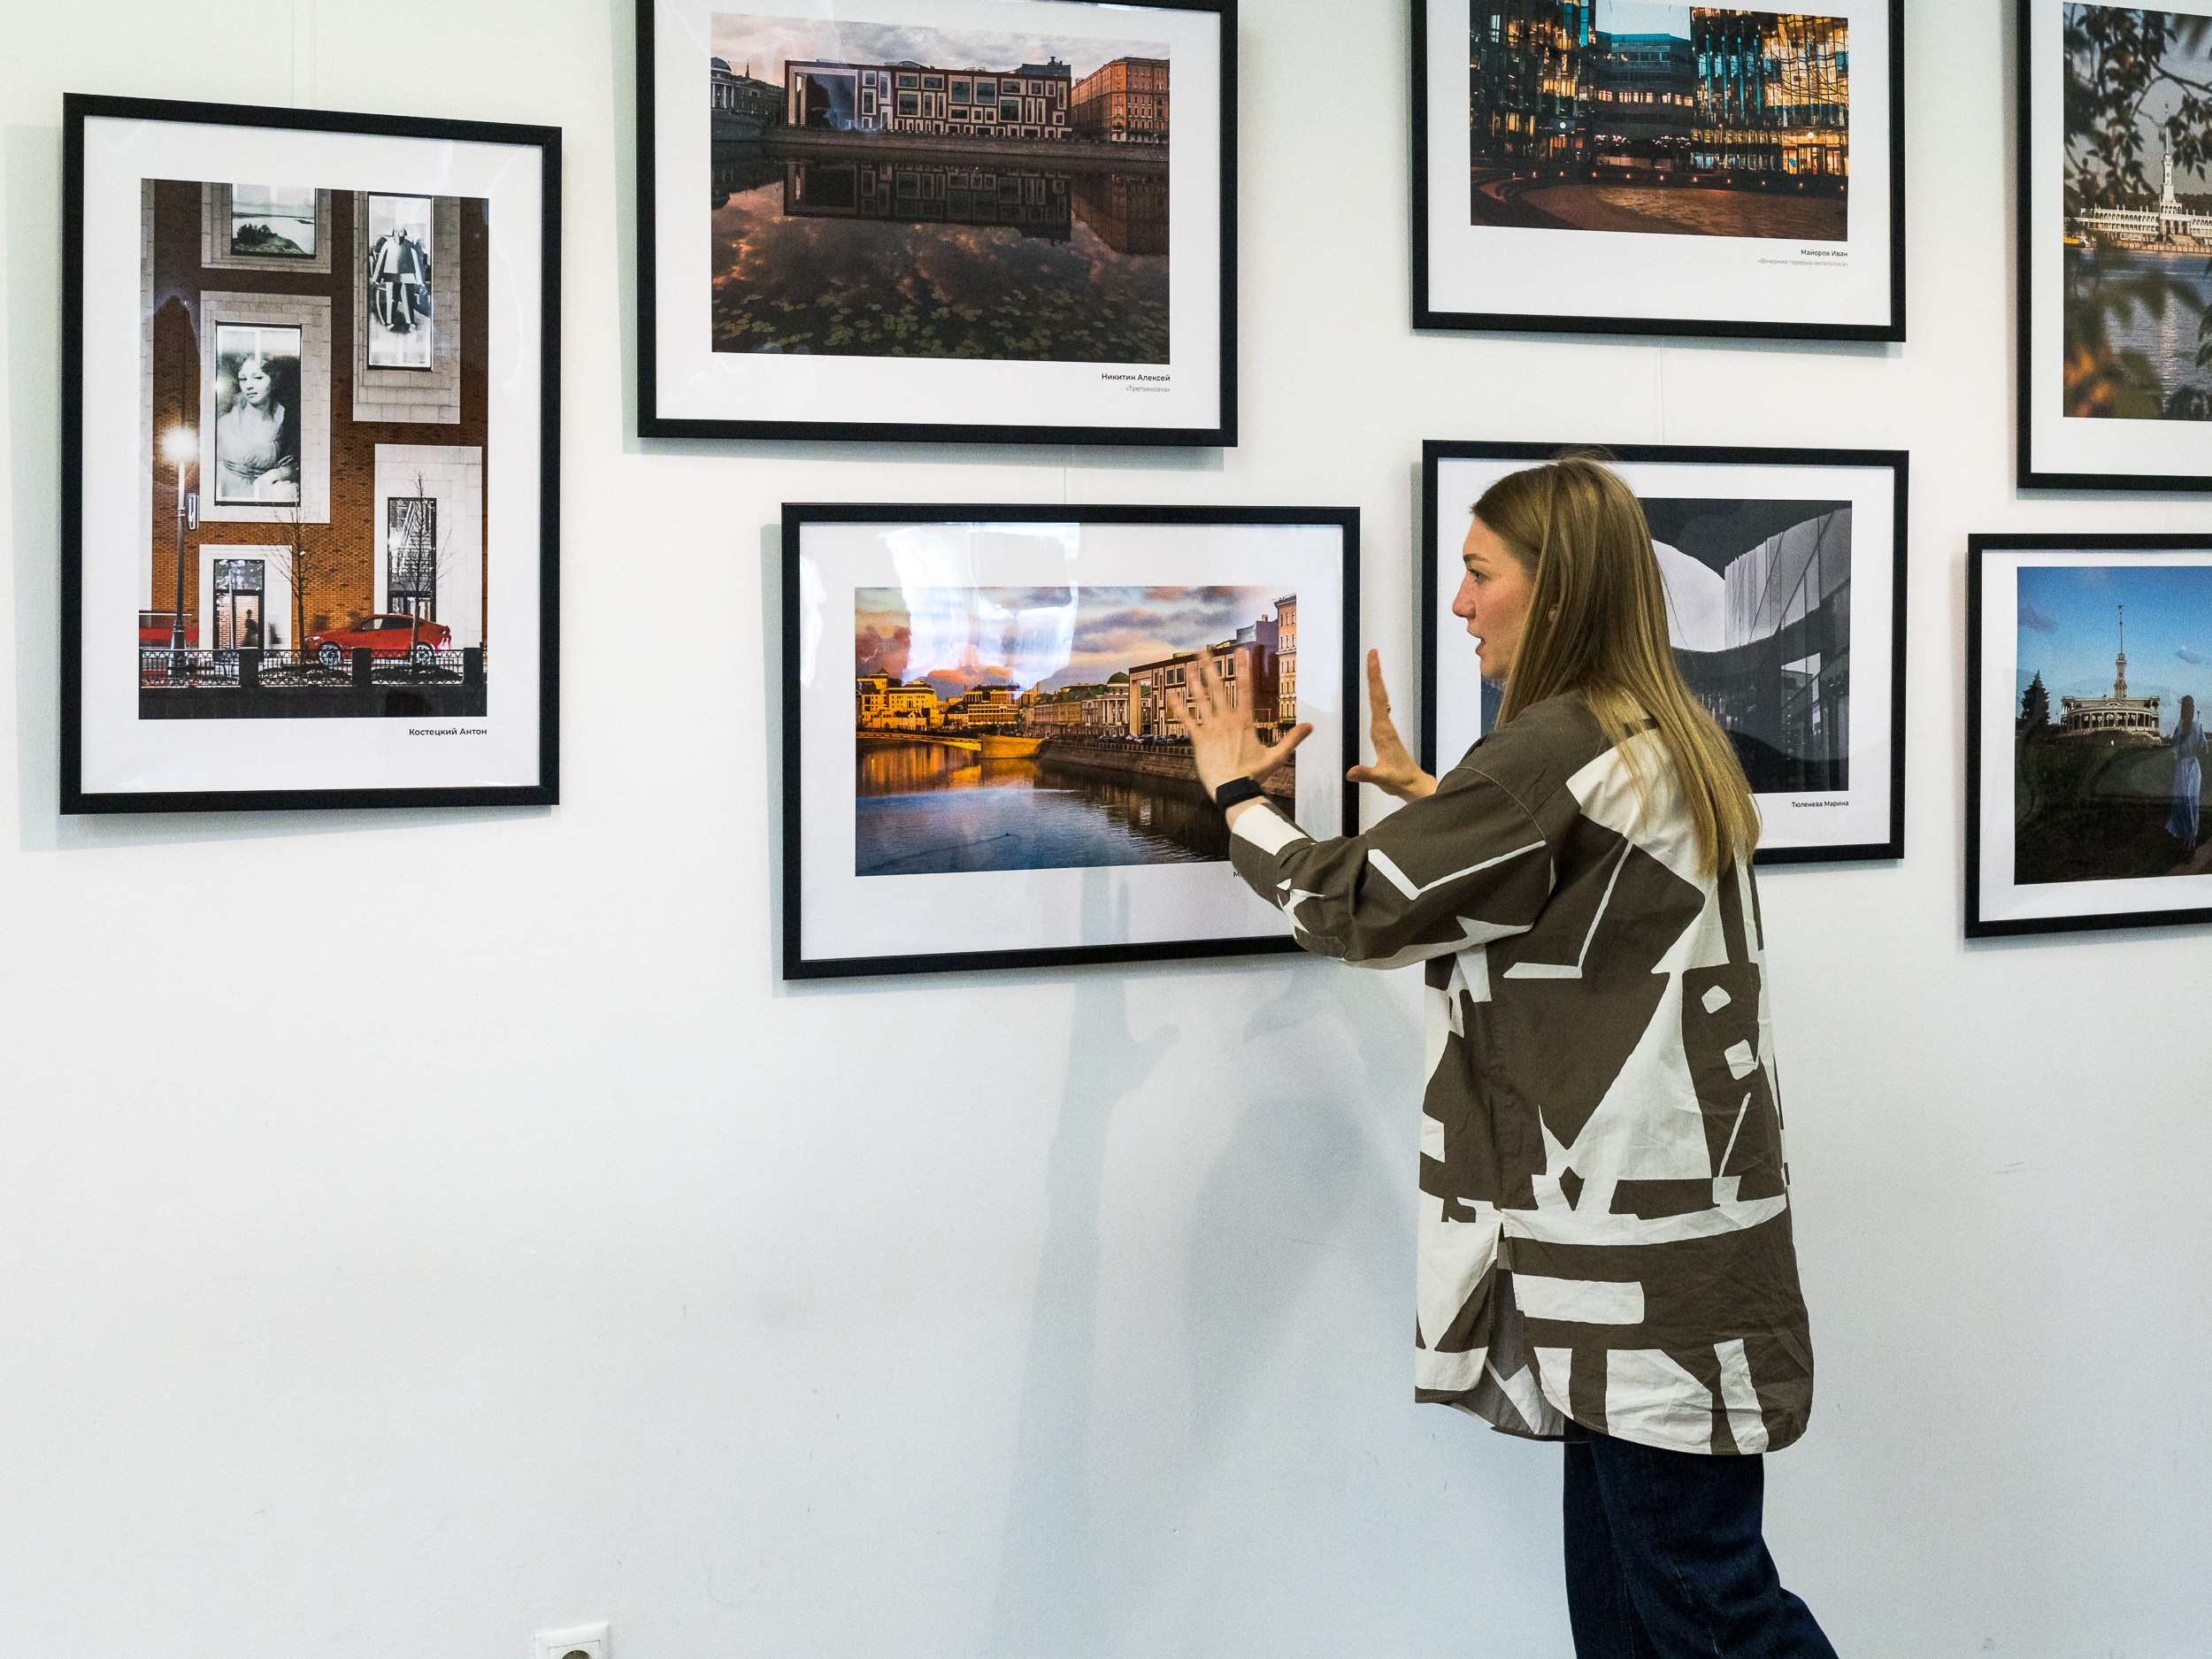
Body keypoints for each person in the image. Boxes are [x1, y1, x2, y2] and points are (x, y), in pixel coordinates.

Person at [1171, 457, 1833, 1659]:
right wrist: (1448, 804)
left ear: (1558, 587)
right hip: (1677, 1253)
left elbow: (1355, 906)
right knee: (1636, 1615)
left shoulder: (1548, 747)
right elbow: (1597, 901)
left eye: (1480, 573)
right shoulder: (1655, 730)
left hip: (1634, 1269)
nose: (1461, 601)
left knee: (1709, 1614)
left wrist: (1236, 794)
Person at [214, 353, 299, 503]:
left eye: (258, 378)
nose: (249, 386)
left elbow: (294, 465)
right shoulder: (225, 422)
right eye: (243, 379)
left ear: (274, 380)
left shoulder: (283, 421)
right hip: (228, 489)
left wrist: (271, 476)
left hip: (264, 492)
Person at [2170, 694, 2205, 855]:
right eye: (2186, 706)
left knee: (2192, 801)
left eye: (2191, 706)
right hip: (2181, 768)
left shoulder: (2198, 727)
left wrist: (2197, 755)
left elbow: (2203, 747)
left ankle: (2192, 839)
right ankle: (2185, 836)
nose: (2189, 709)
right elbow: (2174, 749)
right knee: (2182, 802)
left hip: (2193, 768)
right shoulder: (2179, 728)